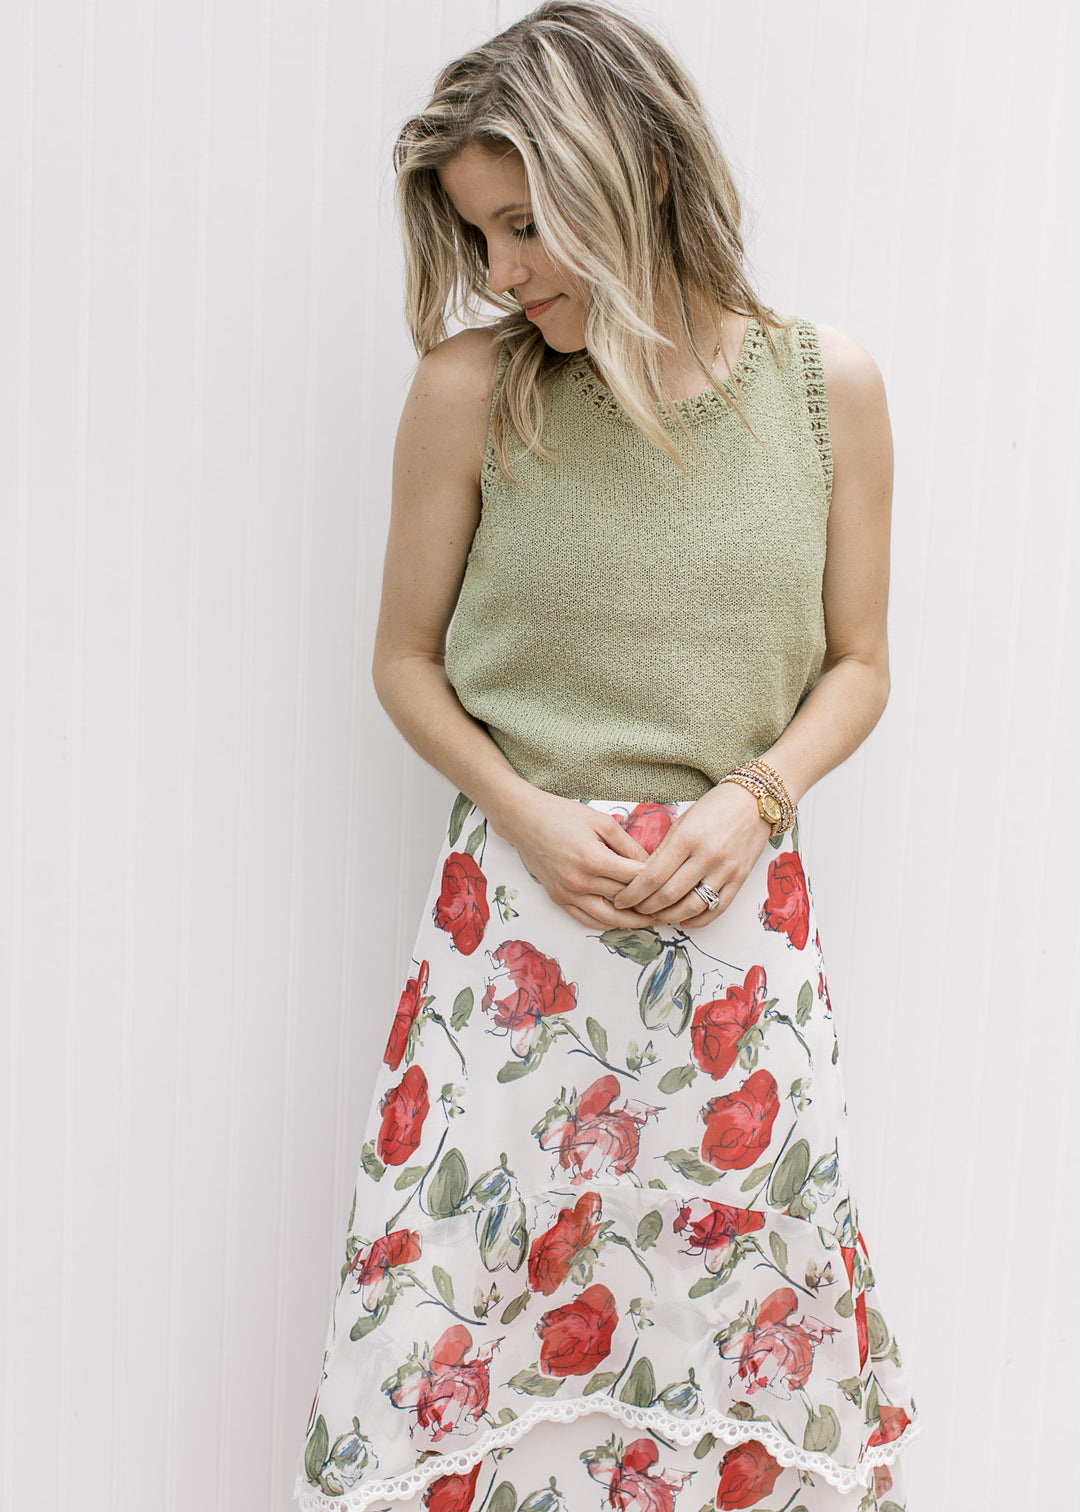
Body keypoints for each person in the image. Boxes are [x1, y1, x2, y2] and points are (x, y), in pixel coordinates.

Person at [292, 3, 920, 1509]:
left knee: (735, 1332)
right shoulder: (473, 388)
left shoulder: (826, 388)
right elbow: (404, 661)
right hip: (514, 942)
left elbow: (859, 665)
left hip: (734, 937)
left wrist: (755, 800)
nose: (501, 272)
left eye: (523, 226)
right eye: (480, 237)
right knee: (470, 1332)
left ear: (635, 171)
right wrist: (524, 814)